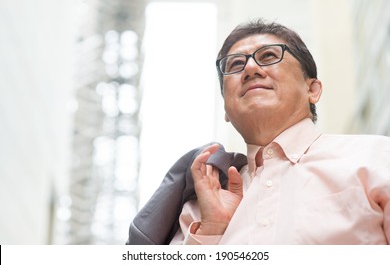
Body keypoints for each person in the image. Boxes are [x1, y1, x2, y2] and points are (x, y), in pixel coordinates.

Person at [126, 19, 390, 245]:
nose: (250, 69)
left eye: (269, 56)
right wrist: (212, 230)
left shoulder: (377, 158)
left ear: (312, 90)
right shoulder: (197, 212)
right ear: (227, 111)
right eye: (236, 64)